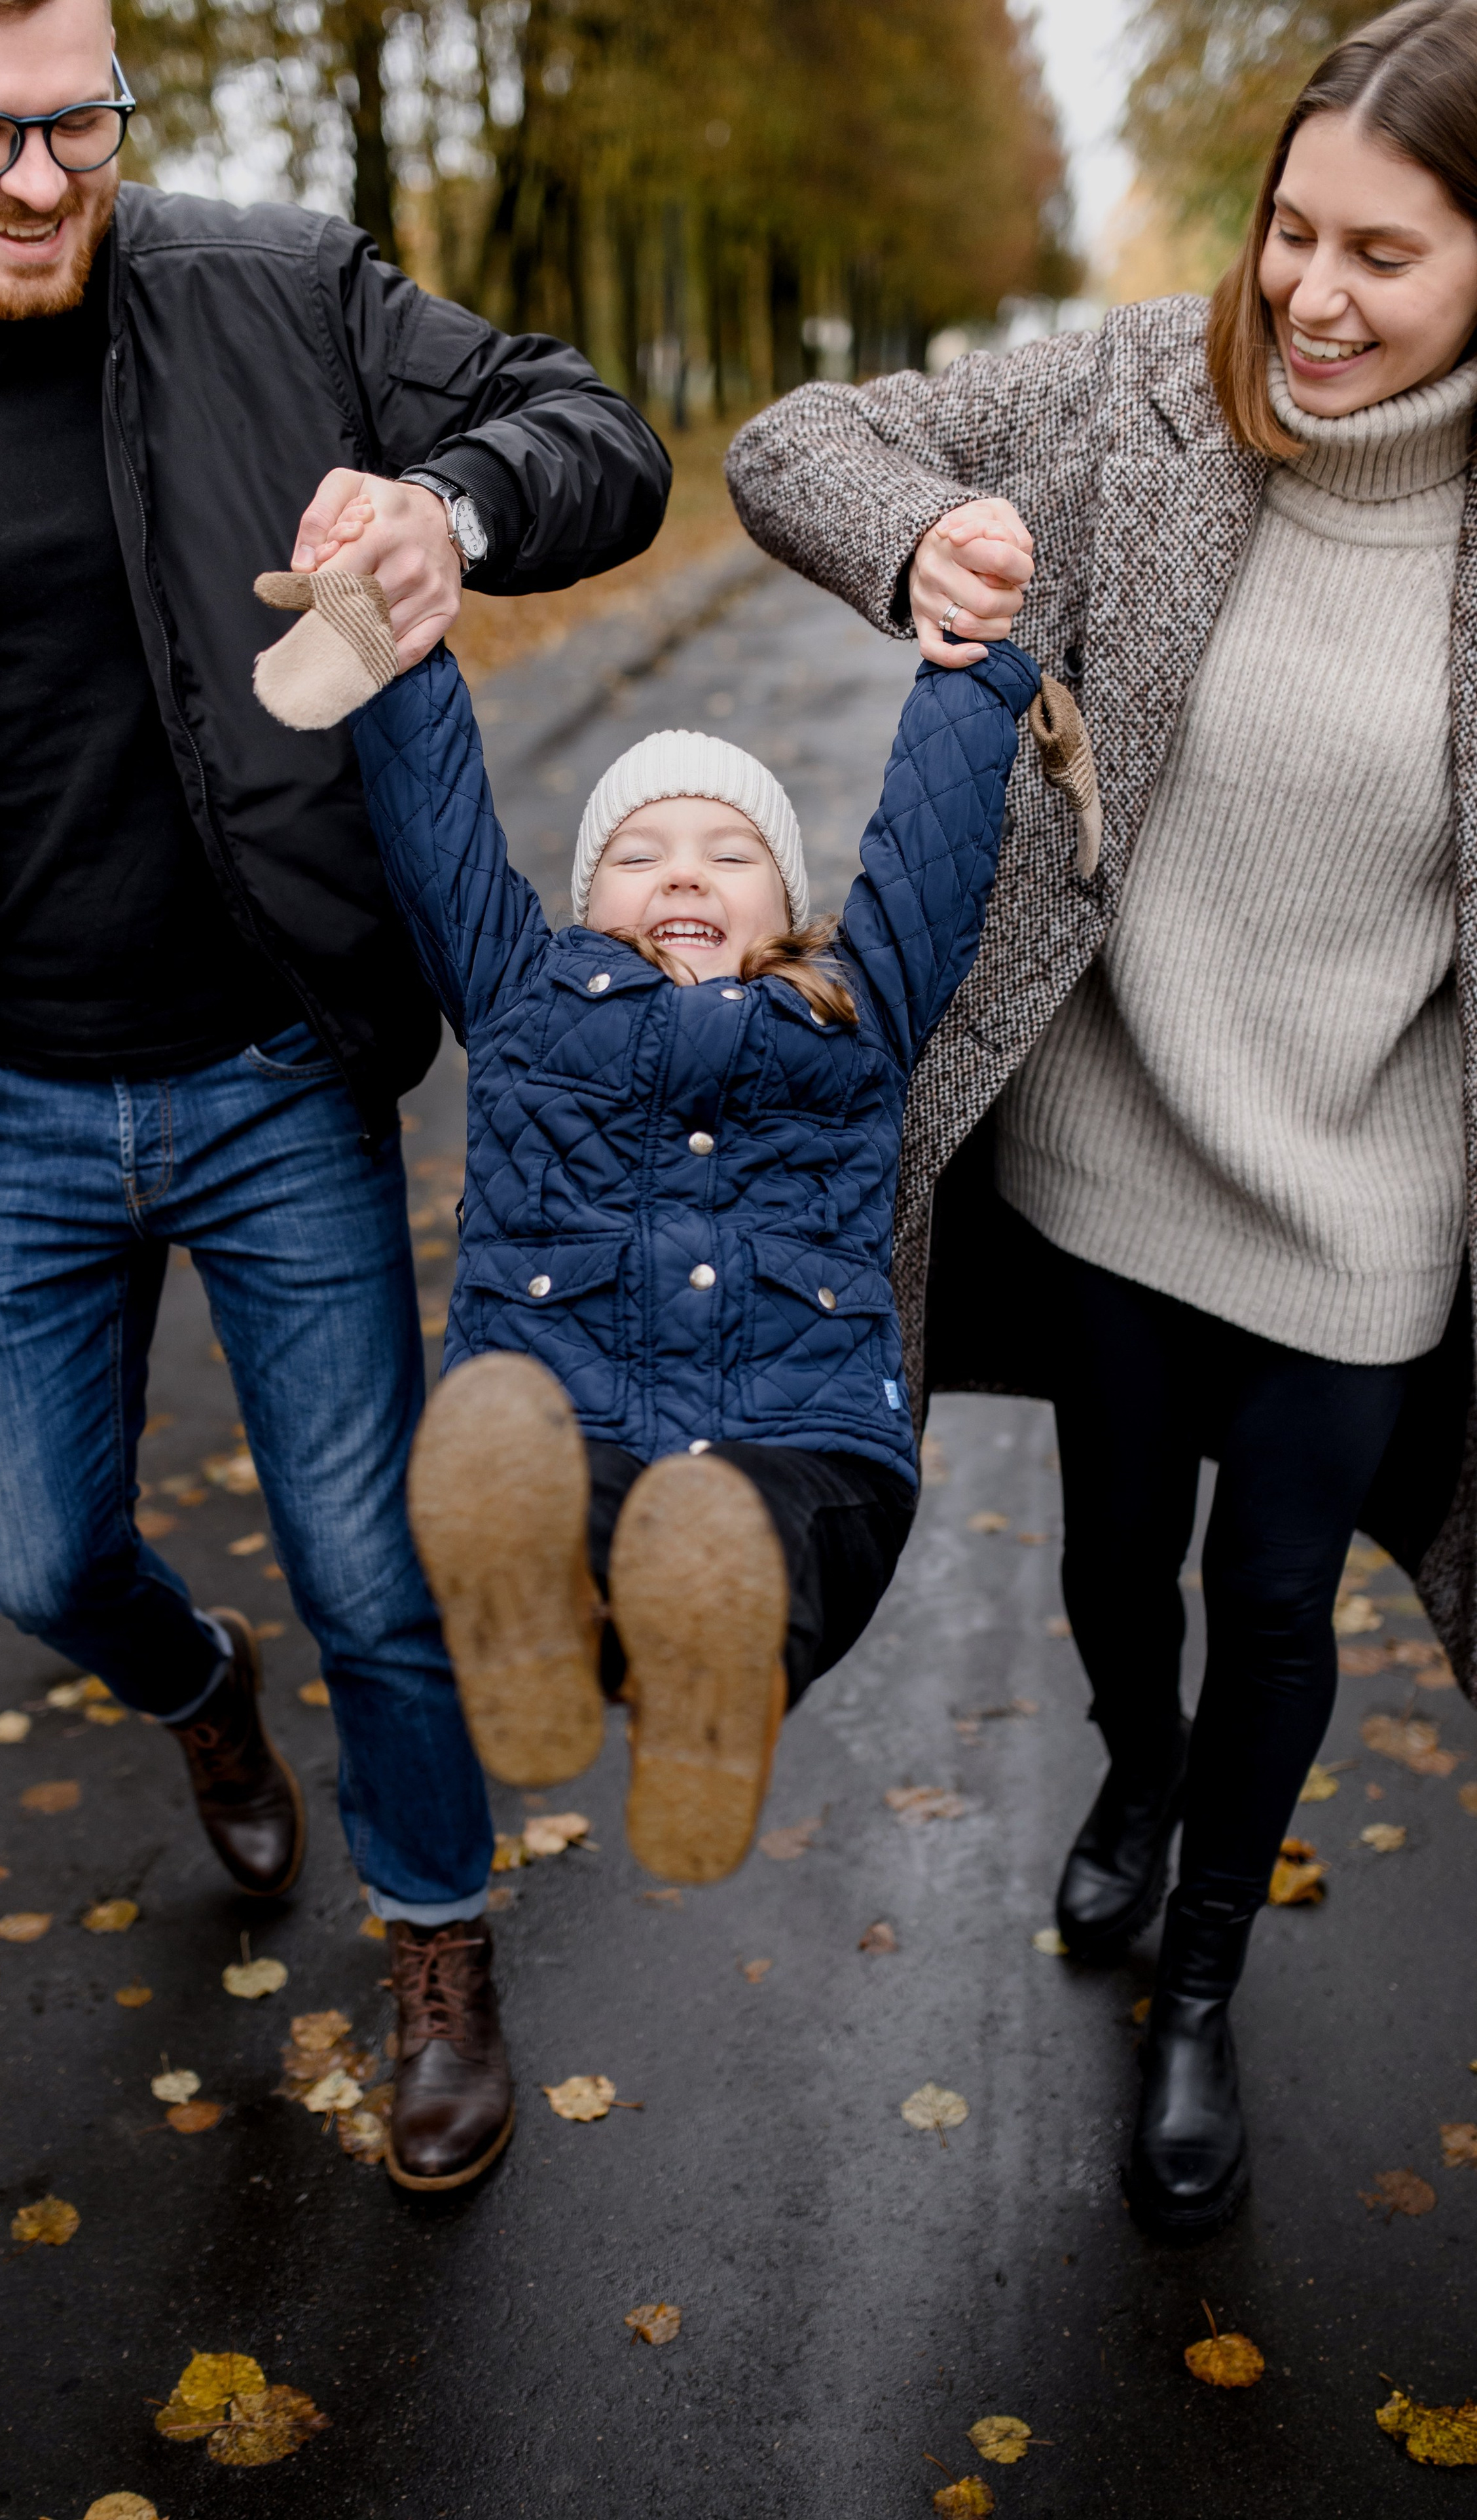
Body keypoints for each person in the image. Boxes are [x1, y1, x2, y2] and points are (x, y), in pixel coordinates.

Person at [0, 0, 669, 2191]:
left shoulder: (278, 288)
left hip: (279, 1064)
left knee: (373, 1570)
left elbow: (597, 435)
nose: (33, 181)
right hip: (4, 1098)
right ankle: (198, 1686)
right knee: (39, 1556)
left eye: (77, 121)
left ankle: (438, 1940)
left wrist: (454, 497)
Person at [724, 0, 1477, 2240]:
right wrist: (928, 536)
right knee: (1113, 1547)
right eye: (1288, 233)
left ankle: (1203, 1983)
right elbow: (794, 441)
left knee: (1277, 1596)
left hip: (1369, 1195)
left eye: (1385, 258)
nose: (1308, 300)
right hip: (1107, 1138)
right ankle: (1135, 1789)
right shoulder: (1147, 390)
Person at [255, 503, 1077, 1892]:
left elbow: (934, 846)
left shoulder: (859, 1002)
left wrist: (975, 666)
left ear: (787, 905)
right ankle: (541, 1625)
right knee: (539, 1486)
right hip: (563, 1416)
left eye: (725, 851)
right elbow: (439, 819)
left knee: (748, 1549)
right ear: (584, 911)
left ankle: (722, 1695)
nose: (681, 868)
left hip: (804, 1436)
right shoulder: (522, 994)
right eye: (635, 856)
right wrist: (397, 644)